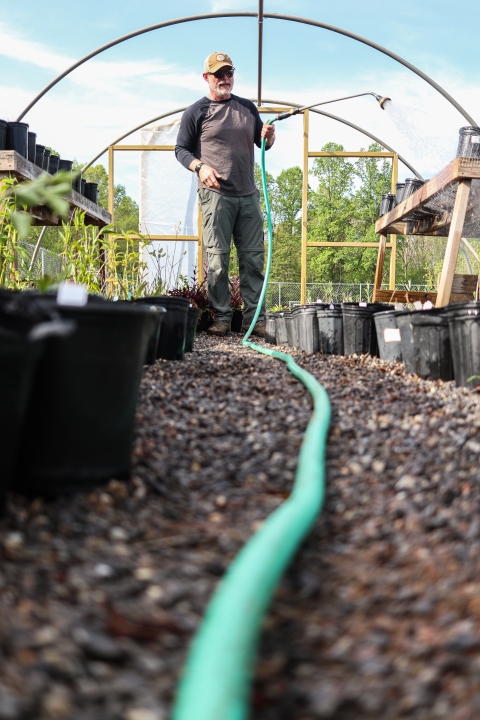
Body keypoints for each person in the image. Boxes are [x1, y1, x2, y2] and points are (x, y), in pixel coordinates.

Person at [175, 51, 276, 337]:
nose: (225, 79)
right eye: (218, 74)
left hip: (248, 194)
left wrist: (269, 138)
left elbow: (263, 144)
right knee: (218, 261)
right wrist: (200, 167)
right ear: (206, 77)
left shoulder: (246, 108)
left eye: (229, 73)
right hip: (216, 195)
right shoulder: (196, 112)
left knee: (253, 260)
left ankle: (253, 320)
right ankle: (221, 317)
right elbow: (181, 150)